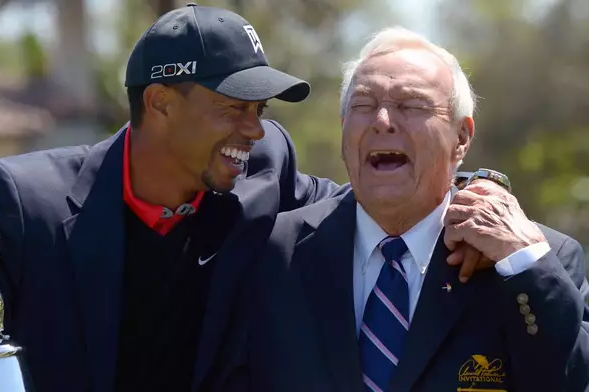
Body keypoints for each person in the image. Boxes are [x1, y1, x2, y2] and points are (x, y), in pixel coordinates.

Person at [0, 5, 511, 392]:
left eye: (259, 111)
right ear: (162, 103)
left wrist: (474, 193)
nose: (254, 130)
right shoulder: (19, 203)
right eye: (234, 108)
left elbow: (374, 198)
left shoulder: (267, 171)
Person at [222, 27, 589, 392]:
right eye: (364, 106)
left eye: (411, 105)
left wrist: (526, 262)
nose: (382, 122)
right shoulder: (272, 254)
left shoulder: (533, 263)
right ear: (343, 128)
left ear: (461, 137)